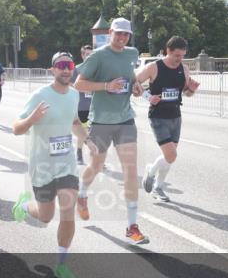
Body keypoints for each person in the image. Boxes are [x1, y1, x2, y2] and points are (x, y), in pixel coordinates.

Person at [12, 52, 91, 278]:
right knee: (46, 216)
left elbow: (75, 122)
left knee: (67, 211)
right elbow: (16, 128)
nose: (66, 69)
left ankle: (62, 264)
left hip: (66, 164)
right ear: (52, 70)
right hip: (42, 165)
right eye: (61, 66)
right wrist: (31, 120)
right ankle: (24, 205)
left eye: (70, 65)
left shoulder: (75, 95)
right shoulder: (40, 95)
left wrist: (88, 141)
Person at [73, 18, 148, 244]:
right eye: (119, 34)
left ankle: (132, 226)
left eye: (126, 34)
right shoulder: (98, 56)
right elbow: (79, 84)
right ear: (110, 32)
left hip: (125, 119)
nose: (122, 38)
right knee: (95, 166)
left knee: (130, 171)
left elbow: (130, 77)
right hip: (101, 122)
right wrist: (106, 86)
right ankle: (82, 194)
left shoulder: (132, 53)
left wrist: (136, 87)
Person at [135, 36, 200, 203]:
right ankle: (153, 178)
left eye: (183, 55)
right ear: (167, 51)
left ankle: (156, 181)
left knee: (170, 156)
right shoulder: (154, 67)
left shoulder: (184, 69)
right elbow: (134, 83)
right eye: (177, 55)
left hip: (175, 116)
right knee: (171, 155)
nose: (180, 59)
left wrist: (191, 90)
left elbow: (186, 92)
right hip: (158, 117)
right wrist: (148, 96)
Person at [72, 45, 93, 165]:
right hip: (80, 107)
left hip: (94, 108)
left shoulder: (96, 70)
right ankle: (79, 152)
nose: (89, 56)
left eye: (91, 54)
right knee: (83, 133)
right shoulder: (77, 69)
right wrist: (83, 89)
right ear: (82, 55)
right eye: (87, 54)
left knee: (94, 134)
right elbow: (71, 86)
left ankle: (96, 158)